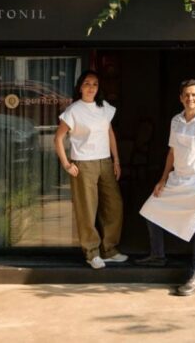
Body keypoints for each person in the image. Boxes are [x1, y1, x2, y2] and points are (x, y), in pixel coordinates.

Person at [137, 79, 195, 296]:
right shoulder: (176, 121)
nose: (190, 98)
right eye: (186, 95)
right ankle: (158, 256)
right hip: (177, 179)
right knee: (150, 210)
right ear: (181, 98)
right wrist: (163, 179)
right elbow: (172, 153)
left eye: (194, 95)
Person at [54, 70, 128, 269]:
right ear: (80, 87)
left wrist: (116, 160)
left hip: (105, 162)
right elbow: (58, 138)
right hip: (84, 164)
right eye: (87, 83)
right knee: (87, 210)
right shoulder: (73, 111)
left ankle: (109, 249)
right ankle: (92, 253)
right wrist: (66, 164)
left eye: (95, 84)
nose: (91, 87)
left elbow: (110, 133)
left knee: (114, 205)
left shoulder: (103, 107)